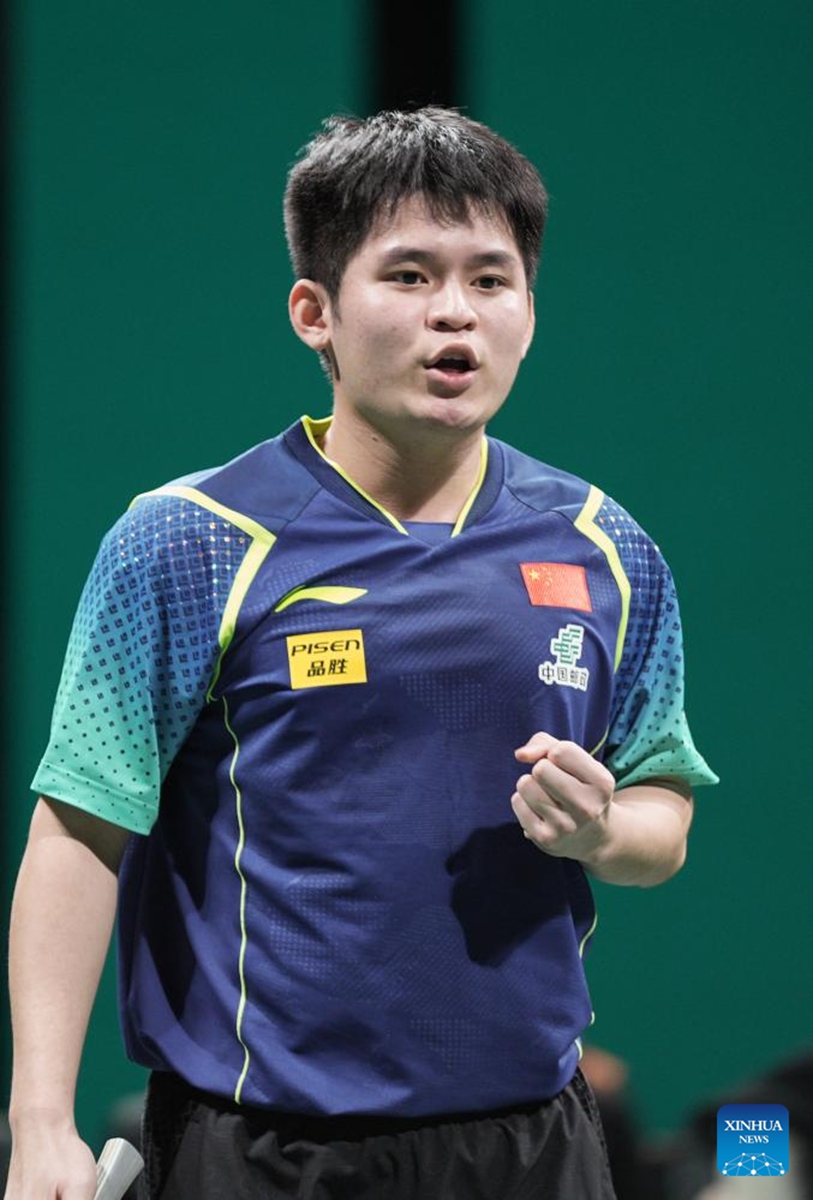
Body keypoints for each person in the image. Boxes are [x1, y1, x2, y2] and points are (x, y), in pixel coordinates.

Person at [4, 107, 717, 1200]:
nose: (455, 316)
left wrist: (606, 825)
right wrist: (38, 1120)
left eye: (492, 279)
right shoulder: (190, 539)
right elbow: (81, 828)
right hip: (266, 1152)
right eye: (410, 275)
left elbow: (661, 814)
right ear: (315, 312)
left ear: (530, 307)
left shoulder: (608, 546)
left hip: (534, 1146)